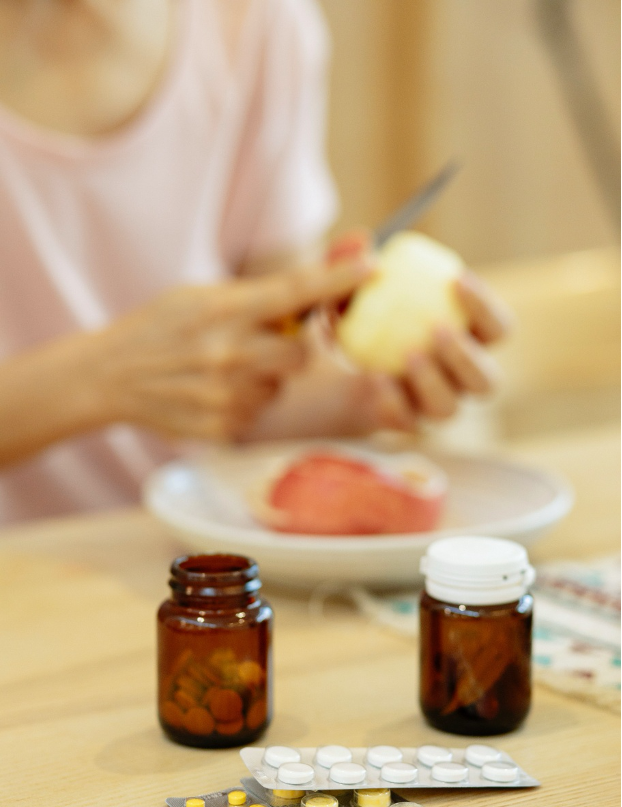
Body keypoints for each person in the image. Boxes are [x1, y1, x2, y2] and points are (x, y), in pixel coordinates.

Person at [0, 0, 509, 524]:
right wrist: (103, 376)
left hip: (182, 553)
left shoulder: (256, 21)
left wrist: (366, 398)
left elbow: (267, 388)